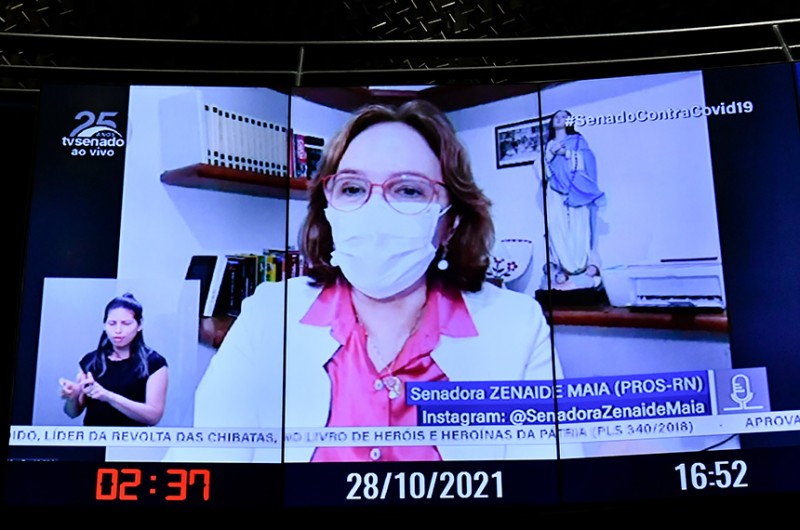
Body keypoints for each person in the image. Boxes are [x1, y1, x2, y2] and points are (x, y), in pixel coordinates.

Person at [183, 99, 569, 463]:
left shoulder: (518, 327)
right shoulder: (268, 316)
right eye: (352, 188)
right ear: (328, 209)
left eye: (409, 190)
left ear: (450, 222)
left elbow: (546, 486)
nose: (375, 210)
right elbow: (209, 468)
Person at [59, 292, 168, 427]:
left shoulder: (154, 363)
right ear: (104, 325)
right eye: (112, 323)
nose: (118, 330)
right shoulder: (90, 361)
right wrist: (73, 397)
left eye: (126, 323)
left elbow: (153, 417)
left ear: (139, 325)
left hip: (131, 438)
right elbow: (72, 413)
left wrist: (107, 396)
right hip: (95, 438)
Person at [541, 109, 606, 291]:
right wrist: (551, 154)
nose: (559, 119)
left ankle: (582, 267)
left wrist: (566, 153)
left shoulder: (577, 140)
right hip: (555, 190)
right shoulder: (548, 145)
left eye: (564, 117)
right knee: (556, 228)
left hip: (575, 190)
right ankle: (562, 268)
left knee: (579, 228)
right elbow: (541, 169)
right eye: (556, 117)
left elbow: (587, 160)